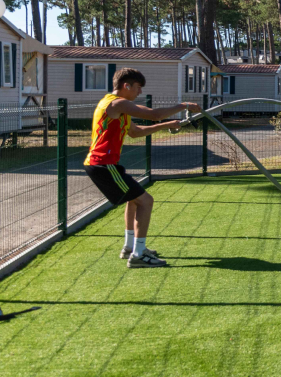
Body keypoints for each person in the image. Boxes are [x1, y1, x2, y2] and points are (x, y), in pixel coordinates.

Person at [83, 68, 199, 268]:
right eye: (138, 88)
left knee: (134, 200)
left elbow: (135, 132)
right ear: (126, 86)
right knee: (146, 201)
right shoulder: (116, 103)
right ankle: (138, 255)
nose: (139, 93)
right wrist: (185, 105)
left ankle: (130, 246)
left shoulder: (120, 108)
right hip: (102, 164)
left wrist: (166, 125)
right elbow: (154, 115)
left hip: (105, 164)